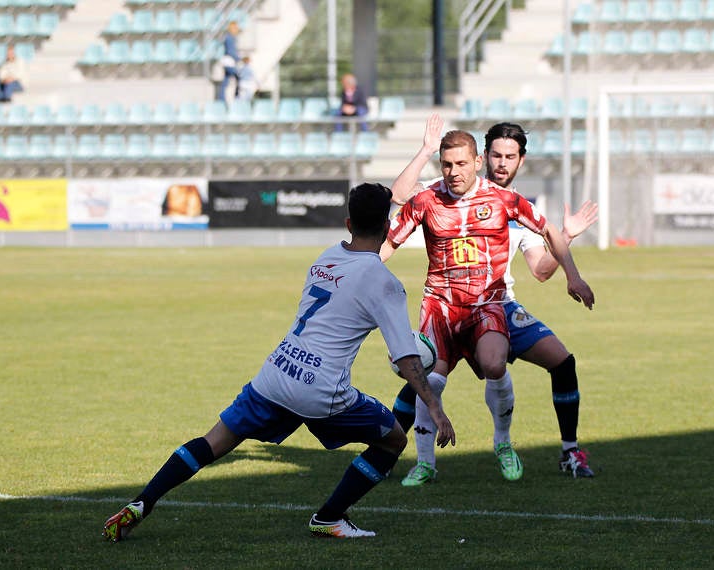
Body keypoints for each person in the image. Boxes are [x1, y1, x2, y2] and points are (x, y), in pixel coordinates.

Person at [101, 183, 455, 542]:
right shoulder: (385, 282)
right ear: (387, 226)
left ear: (348, 223)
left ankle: (142, 502)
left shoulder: (325, 257)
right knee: (392, 441)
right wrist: (434, 407)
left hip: (276, 373)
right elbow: (406, 357)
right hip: (321, 390)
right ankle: (329, 517)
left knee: (214, 441)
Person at [379, 119, 594, 487]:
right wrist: (353, 271)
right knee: (427, 380)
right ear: (486, 156)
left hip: (495, 303)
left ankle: (523, 445)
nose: (502, 163)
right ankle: (413, 459)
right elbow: (394, 214)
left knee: (528, 362)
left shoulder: (510, 203)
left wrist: (570, 257)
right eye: (497, 154)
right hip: (441, 307)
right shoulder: (430, 195)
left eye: (509, 156)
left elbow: (542, 266)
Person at [216, 21, 241, 103]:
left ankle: (221, 99)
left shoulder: (230, 37)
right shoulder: (229, 38)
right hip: (228, 61)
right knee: (238, 76)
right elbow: (230, 51)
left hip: (229, 61)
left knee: (226, 80)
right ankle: (236, 97)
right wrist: (238, 58)